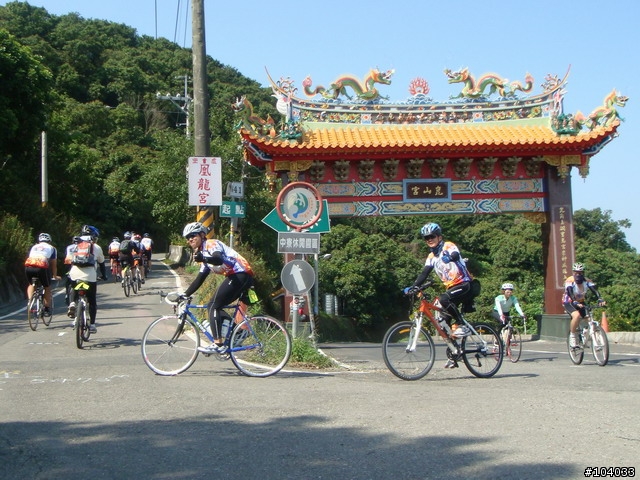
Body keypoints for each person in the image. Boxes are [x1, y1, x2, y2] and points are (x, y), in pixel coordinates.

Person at [405, 223, 475, 367]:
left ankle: (462, 325)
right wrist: (413, 287)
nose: (429, 239)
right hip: (451, 288)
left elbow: (456, 254)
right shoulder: (431, 257)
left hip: (464, 284)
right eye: (426, 238)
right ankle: (455, 352)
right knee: (441, 321)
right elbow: (424, 273)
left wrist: (450, 258)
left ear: (439, 237)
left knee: (444, 299)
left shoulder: (448, 246)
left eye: (432, 236)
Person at [181, 222, 254, 353]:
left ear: (202, 235)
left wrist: (204, 258)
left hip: (241, 273)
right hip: (237, 276)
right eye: (187, 237)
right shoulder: (203, 253)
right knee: (215, 306)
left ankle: (218, 344)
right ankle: (239, 333)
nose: (190, 239)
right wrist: (184, 295)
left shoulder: (211, 244)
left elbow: (218, 259)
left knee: (213, 305)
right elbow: (200, 279)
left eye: (192, 235)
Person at [66, 225, 107, 333]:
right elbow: (102, 263)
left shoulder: (74, 245)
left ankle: (72, 303)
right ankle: (92, 325)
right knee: (92, 300)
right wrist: (104, 276)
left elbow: (68, 261)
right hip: (90, 276)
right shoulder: (96, 247)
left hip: (75, 273)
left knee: (74, 288)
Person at [562, 263, 606, 348]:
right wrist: (574, 301)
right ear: (573, 272)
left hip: (581, 302)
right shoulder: (570, 280)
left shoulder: (587, 281)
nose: (578, 275)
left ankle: (587, 334)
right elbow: (570, 291)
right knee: (576, 316)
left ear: (583, 273)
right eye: (576, 272)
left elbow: (594, 290)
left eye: (580, 273)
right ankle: (572, 336)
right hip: (569, 302)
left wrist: (600, 298)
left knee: (589, 319)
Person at [24, 233, 61, 315]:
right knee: (47, 286)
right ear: (49, 241)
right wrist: (55, 276)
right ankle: (47, 308)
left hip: (29, 267)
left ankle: (30, 301)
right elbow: (53, 264)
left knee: (31, 284)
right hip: (41, 267)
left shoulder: (34, 247)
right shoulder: (52, 248)